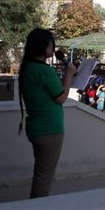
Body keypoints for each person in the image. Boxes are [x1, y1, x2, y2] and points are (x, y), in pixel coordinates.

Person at [18, 28, 76, 198]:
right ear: (42, 47)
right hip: (49, 130)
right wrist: (69, 75)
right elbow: (61, 97)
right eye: (51, 44)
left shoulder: (29, 67)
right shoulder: (44, 71)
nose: (53, 47)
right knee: (44, 179)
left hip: (37, 127)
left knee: (41, 173)